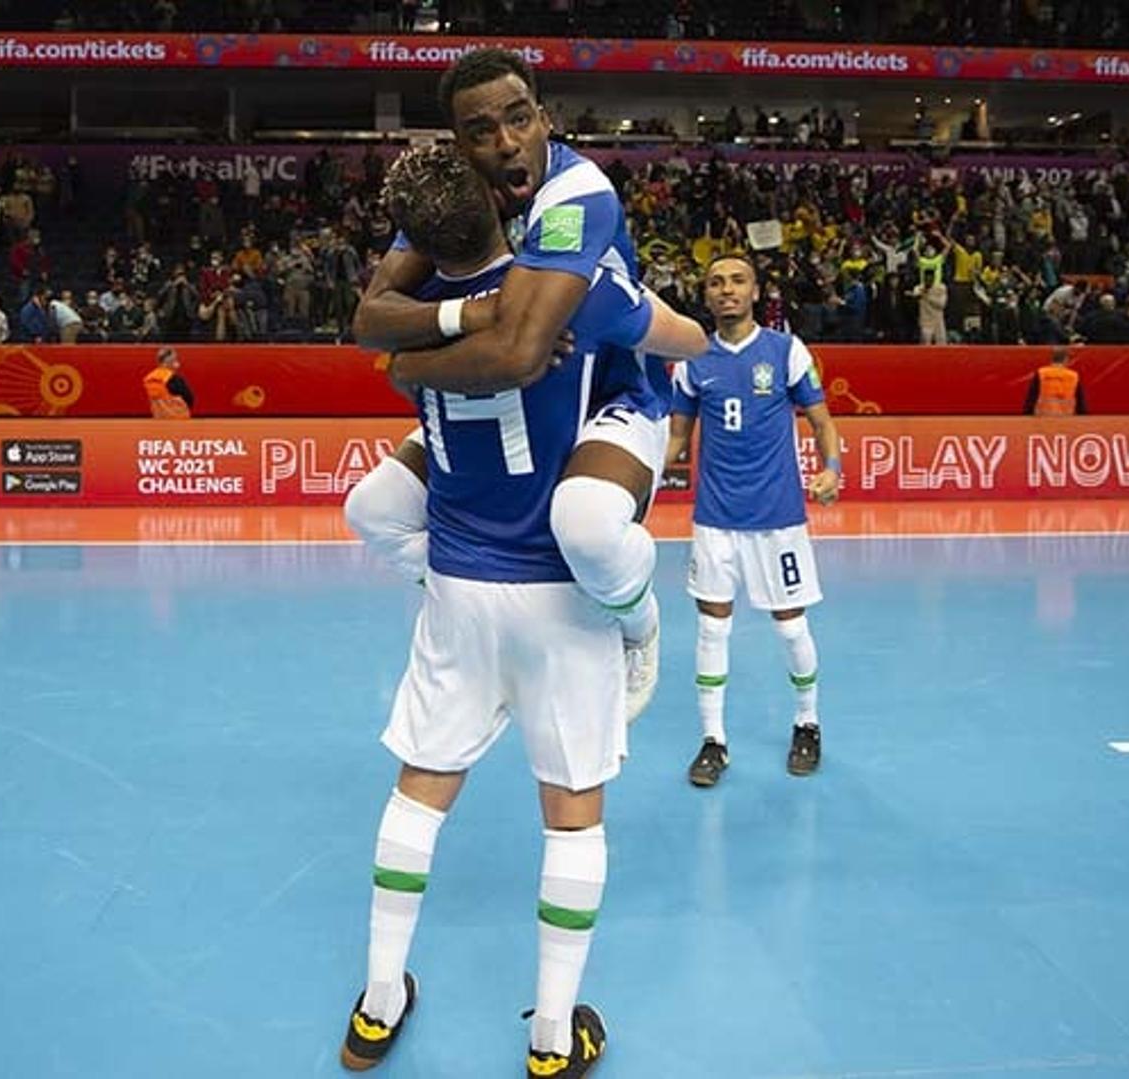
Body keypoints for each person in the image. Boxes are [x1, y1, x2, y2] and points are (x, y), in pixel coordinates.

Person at [339, 145, 705, 1079]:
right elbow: (678, 339)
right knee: (572, 818)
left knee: (417, 797)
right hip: (559, 596)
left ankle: (378, 1005)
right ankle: (551, 1037)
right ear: (513, 211)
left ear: (413, 245)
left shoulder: (410, 328)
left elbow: (386, 362)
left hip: (459, 586)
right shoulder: (569, 294)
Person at [350, 48, 685, 724]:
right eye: (481, 130)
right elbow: (370, 320)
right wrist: (465, 312)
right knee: (374, 509)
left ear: (544, 118)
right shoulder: (452, 202)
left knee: (586, 528)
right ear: (459, 143)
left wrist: (412, 369)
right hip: (514, 403)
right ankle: (463, 595)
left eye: (519, 118)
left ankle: (638, 621)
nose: (505, 142)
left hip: (604, 394)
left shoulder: (574, 194)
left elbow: (519, 353)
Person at [665, 255, 841, 788]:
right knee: (711, 627)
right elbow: (676, 441)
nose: (726, 290)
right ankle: (713, 741)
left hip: (778, 519)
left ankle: (807, 722)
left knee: (791, 628)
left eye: (737, 280)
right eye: (716, 282)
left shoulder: (785, 351)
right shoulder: (692, 360)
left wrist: (831, 468)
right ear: (707, 294)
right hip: (715, 519)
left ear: (755, 290)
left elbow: (821, 421)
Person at [1025, 346, 1087, 416]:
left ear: (1052, 359)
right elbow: (1081, 403)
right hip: (1066, 418)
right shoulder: (1073, 376)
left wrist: (1027, 415)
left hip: (1043, 418)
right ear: (1065, 359)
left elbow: (1031, 398)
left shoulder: (1041, 373)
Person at [144, 347, 194, 418]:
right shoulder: (174, 378)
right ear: (170, 362)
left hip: (159, 418)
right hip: (179, 417)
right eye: (175, 360)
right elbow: (189, 397)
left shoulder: (149, 378)